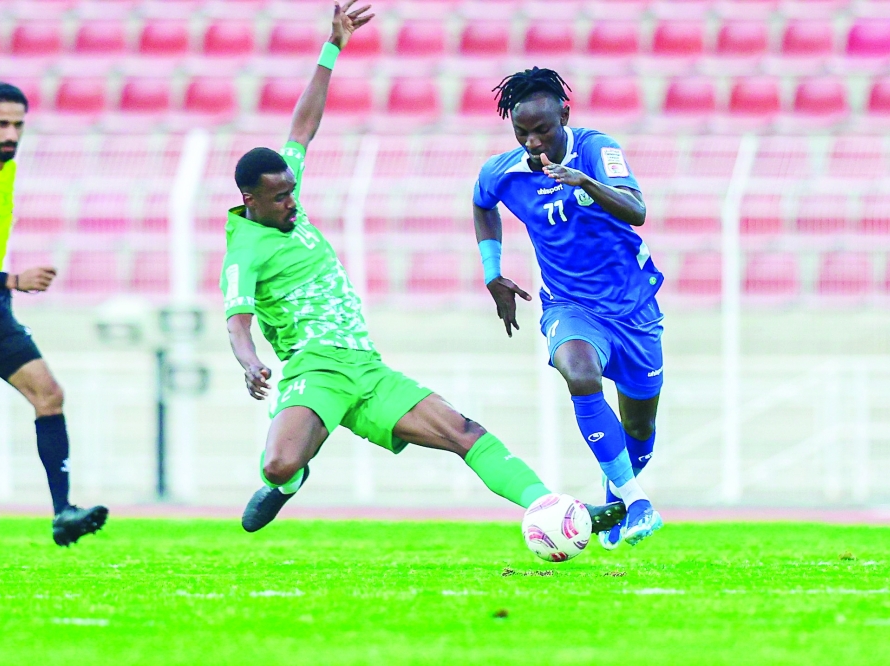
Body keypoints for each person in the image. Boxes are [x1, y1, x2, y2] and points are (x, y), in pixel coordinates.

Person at [221, 3, 625, 535]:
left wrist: (333, 45)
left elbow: (304, 126)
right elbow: (237, 322)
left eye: (292, 190)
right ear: (250, 199)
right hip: (313, 369)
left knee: (464, 431)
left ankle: (557, 510)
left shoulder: (282, 186)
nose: (292, 202)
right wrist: (251, 364)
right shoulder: (243, 251)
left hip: (365, 367)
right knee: (279, 464)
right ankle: (288, 483)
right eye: (280, 198)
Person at [472, 68, 664, 549]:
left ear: (565, 115)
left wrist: (584, 181)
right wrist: (492, 270)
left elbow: (637, 210)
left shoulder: (598, 150)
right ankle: (638, 501)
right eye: (522, 133)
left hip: (633, 309)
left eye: (543, 130)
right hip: (570, 305)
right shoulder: (505, 171)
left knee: (639, 425)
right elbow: (482, 203)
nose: (534, 142)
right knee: (579, 374)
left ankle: (617, 492)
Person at [0, 81, 108, 546]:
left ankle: (63, 514)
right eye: (2, 123)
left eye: (19, 124)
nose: (12, 133)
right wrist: (13, 280)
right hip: (0, 291)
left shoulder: (7, 169)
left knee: (49, 395)